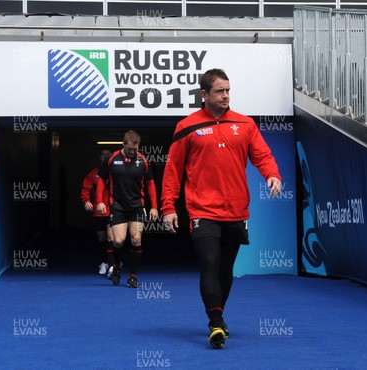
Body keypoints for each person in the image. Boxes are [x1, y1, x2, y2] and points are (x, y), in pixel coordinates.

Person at [161, 68, 282, 349]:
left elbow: (262, 156)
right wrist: (168, 206)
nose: (226, 95)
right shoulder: (187, 126)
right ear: (204, 94)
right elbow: (173, 170)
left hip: (236, 211)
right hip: (202, 211)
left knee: (226, 269)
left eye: (228, 90)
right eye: (219, 91)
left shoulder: (245, 124)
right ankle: (215, 322)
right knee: (209, 262)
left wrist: (272, 174)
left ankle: (219, 315)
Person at [96, 130, 159, 288]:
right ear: (124, 144)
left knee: (136, 239)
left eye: (136, 149)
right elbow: (102, 180)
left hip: (137, 207)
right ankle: (117, 267)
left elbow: (150, 184)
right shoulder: (111, 159)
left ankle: (132, 276)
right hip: (117, 207)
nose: (133, 152)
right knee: (118, 241)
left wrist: (154, 207)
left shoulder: (143, 161)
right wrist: (99, 201)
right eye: (130, 149)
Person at [80, 148, 113, 275]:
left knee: (111, 237)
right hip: (98, 212)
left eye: (107, 155)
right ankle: (104, 262)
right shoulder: (93, 174)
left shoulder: (115, 173)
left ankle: (112, 265)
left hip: (112, 210)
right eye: (103, 154)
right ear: (100, 158)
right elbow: (85, 189)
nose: (105, 156)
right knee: (102, 238)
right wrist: (86, 201)